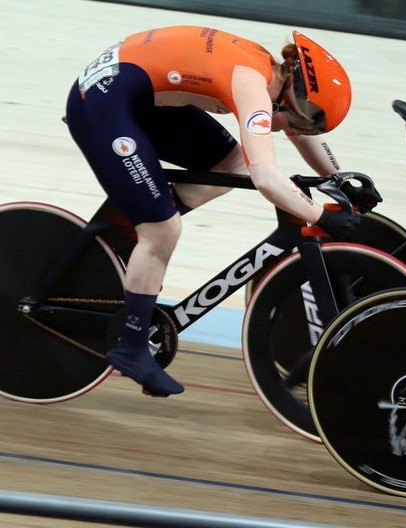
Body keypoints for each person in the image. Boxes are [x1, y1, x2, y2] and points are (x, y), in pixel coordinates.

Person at [65, 25, 379, 397]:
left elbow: (295, 134)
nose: (290, 130)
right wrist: (320, 215)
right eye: (297, 120)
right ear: (295, 99)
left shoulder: (274, 77)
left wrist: (339, 178)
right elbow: (266, 177)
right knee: (163, 230)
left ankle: (140, 223)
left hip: (136, 93)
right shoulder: (254, 85)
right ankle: (131, 345)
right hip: (101, 103)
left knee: (232, 163)